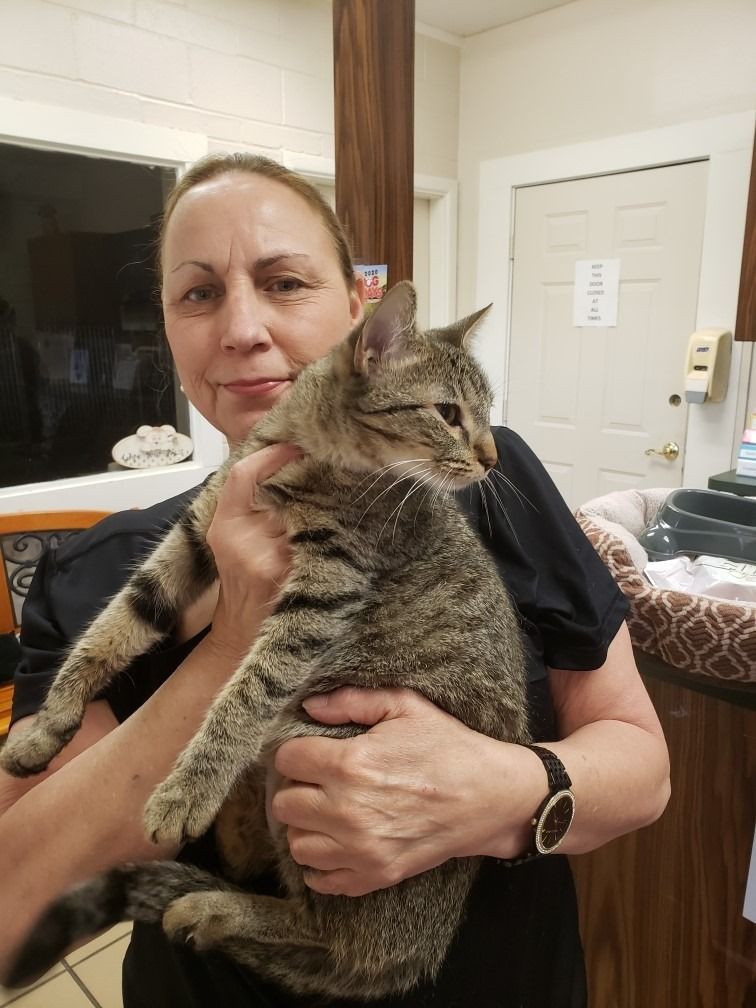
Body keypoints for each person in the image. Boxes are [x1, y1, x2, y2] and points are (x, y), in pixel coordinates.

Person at [0, 153, 670, 1007]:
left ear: (362, 316)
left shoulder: (482, 486)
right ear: (166, 326)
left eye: (284, 282)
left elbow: (645, 770)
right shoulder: (96, 564)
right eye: (198, 293)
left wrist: (500, 794)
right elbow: (9, 909)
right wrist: (230, 638)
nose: (243, 328)